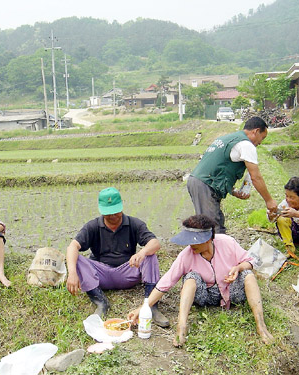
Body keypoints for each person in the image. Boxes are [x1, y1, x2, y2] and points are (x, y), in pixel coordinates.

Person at [128, 214, 273, 346]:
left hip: (231, 292)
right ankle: (182, 327)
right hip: (206, 296)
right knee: (191, 277)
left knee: (248, 274)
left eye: (195, 241)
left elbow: (250, 262)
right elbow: (165, 283)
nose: (191, 245)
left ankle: (261, 325)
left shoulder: (227, 242)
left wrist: (238, 268)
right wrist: (143, 307)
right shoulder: (186, 255)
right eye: (189, 241)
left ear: (209, 238)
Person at [66, 187, 169, 327]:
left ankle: (151, 305)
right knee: (76, 258)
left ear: (122, 206)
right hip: (100, 274)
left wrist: (141, 253)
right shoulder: (92, 226)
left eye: (116, 212)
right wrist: (72, 273)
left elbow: (155, 243)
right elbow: (73, 246)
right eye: (109, 213)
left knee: (150, 256)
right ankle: (101, 302)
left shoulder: (134, 224)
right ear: (101, 210)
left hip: (127, 272)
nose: (113, 216)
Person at [187, 116, 277, 233]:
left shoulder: (228, 138)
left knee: (217, 223)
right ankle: (209, 250)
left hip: (201, 182)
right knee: (211, 227)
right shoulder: (246, 145)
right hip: (205, 185)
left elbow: (219, 168)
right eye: (262, 137)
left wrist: (233, 191)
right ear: (255, 131)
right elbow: (256, 177)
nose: (260, 142)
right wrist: (269, 200)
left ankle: (217, 249)